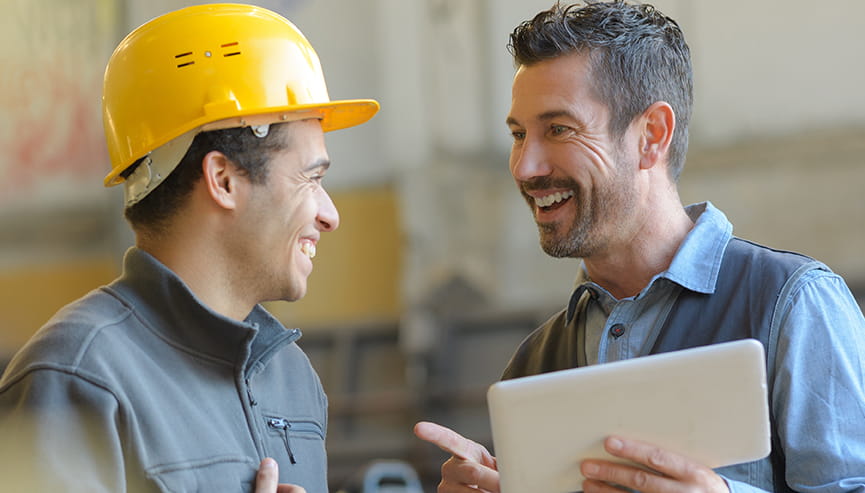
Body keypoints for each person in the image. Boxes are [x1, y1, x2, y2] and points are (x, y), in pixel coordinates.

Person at [414, 1, 865, 492]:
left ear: (652, 135)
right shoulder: (532, 365)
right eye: (519, 135)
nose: (525, 167)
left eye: (558, 129)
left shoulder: (794, 306)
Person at [0, 4, 378, 492]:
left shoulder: (291, 379)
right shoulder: (77, 377)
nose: (330, 214)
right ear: (223, 179)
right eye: (311, 178)